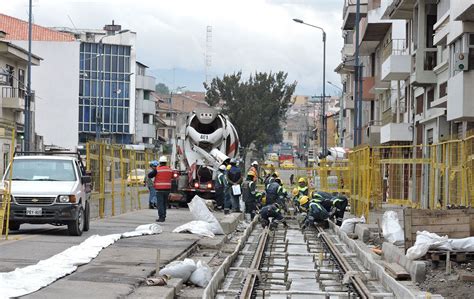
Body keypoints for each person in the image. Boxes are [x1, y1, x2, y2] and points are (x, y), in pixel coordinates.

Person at [148, 156, 174, 222]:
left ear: (160, 162)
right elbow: (173, 177)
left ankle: (161, 217)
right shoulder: (170, 169)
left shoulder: (157, 169)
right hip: (167, 189)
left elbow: (149, 175)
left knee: (160, 204)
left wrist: (155, 170)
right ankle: (164, 216)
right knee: (164, 204)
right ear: (166, 162)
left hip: (159, 190)